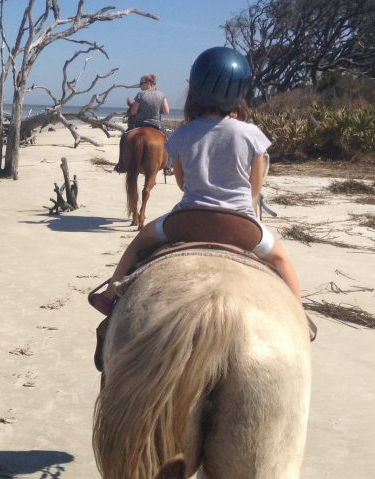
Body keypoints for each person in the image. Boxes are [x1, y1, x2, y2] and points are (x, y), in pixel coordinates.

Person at [95, 47, 301, 310]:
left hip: (187, 220)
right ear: (240, 92)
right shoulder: (252, 134)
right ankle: (301, 318)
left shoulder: (183, 134)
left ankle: (110, 295)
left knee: (141, 240)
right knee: (281, 259)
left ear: (196, 90)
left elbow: (182, 184)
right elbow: (255, 188)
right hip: (241, 223)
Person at [114, 74, 170, 173]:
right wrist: (157, 110)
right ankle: (168, 166)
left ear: (149, 83)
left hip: (140, 123)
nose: (140, 86)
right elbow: (166, 111)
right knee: (169, 140)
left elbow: (133, 112)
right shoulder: (161, 94)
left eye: (141, 83)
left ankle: (121, 164)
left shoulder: (140, 95)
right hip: (156, 124)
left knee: (124, 137)